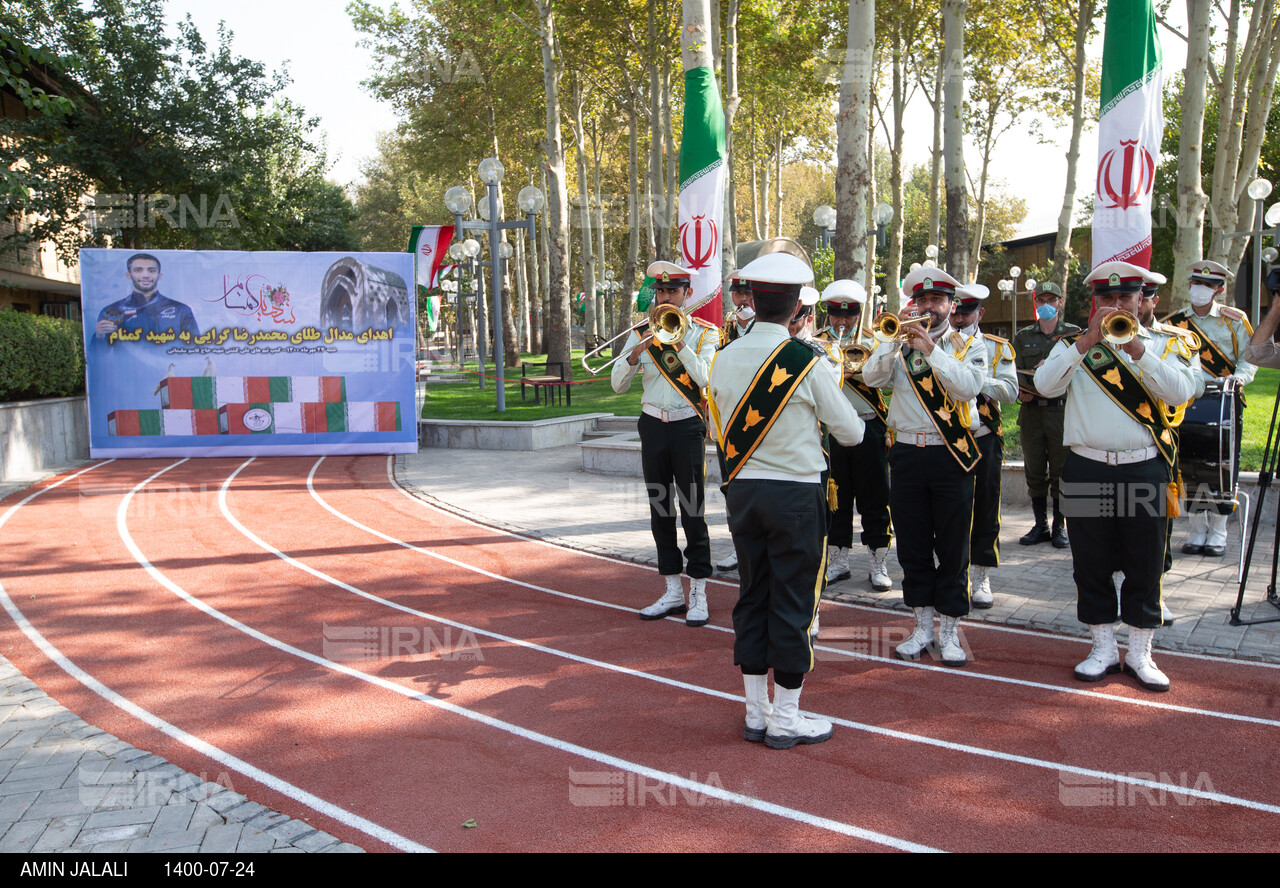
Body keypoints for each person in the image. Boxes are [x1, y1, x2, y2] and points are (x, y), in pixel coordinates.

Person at [708, 251, 864, 748]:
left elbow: (717, 429)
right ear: (797, 305)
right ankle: (787, 717)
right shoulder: (807, 360)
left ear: (752, 300)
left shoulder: (723, 356)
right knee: (795, 602)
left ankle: (756, 712)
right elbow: (852, 433)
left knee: (752, 595)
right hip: (796, 495)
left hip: (744, 493)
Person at [1034, 261, 1197, 693]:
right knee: (1091, 561)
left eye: (1125, 297)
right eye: (1107, 298)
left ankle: (1141, 652)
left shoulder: (1167, 343)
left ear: (1141, 299)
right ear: (1094, 302)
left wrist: (1139, 352)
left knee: (1145, 562)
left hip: (1144, 465)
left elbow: (1182, 393)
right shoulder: (1075, 344)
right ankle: (1102, 648)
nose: (1116, 305)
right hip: (1087, 466)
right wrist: (1087, 341)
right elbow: (1045, 386)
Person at [862, 266, 987, 667]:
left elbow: (968, 387)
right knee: (913, 544)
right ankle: (920, 625)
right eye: (922, 301)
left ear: (951, 305)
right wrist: (890, 339)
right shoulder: (898, 342)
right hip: (907, 454)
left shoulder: (967, 344)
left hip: (950, 454)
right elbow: (870, 376)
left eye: (936, 301)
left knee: (952, 545)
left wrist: (932, 351)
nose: (928, 308)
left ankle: (949, 631)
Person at [613, 261, 719, 626]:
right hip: (653, 427)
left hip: (687, 428)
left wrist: (677, 343)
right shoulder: (642, 331)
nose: (664, 297)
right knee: (661, 509)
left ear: (687, 294)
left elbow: (706, 379)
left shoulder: (705, 335)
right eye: (660, 291)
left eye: (672, 291)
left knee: (692, 511)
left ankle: (699, 591)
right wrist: (634, 354)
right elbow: (616, 384)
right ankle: (672, 589)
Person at [1165, 260, 1256, 556]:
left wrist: (1237, 379)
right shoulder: (1175, 323)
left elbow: (1250, 356)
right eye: (1196, 283)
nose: (1200, 290)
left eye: (1208, 285)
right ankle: (1196, 529)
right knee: (1187, 463)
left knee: (1222, 465)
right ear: (1189, 284)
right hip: (1186, 400)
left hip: (1223, 402)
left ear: (1219, 289)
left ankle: (1218, 531)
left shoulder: (1233, 320)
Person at [815, 279, 893, 593]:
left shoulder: (876, 339)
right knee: (836, 496)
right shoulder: (817, 342)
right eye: (836, 314)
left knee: (875, 496)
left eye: (849, 315)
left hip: (869, 425)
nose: (842, 321)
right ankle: (839, 560)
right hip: (832, 431)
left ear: (859, 313)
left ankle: (878, 561)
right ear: (829, 313)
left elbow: (886, 378)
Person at [952, 285, 1017, 608]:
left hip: (984, 437)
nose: (960, 317)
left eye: (968, 311)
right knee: (951, 511)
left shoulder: (995, 347)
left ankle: (981, 575)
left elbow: (1011, 390)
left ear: (981, 313)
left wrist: (974, 380)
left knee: (986, 506)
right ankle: (954, 572)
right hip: (948, 437)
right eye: (957, 311)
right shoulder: (936, 343)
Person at [1013, 281, 1080, 548]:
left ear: (1060, 303)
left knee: (1061, 472)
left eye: (1052, 300)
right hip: (1031, 413)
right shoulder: (1023, 336)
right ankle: (1040, 524)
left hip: (1061, 412)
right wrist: (1019, 391)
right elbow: (1012, 371)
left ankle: (1059, 527)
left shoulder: (1074, 334)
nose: (1046, 305)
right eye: (1041, 300)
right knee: (1035, 471)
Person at [715, 270, 756, 574]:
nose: (742, 300)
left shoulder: (768, 328)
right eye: (737, 294)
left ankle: (756, 546)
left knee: (758, 486)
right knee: (732, 487)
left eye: (748, 294)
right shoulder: (723, 330)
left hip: (758, 421)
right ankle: (737, 545)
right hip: (728, 422)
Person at [95, 253, 200, 340]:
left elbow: (195, 349)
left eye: (151, 270)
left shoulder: (181, 311)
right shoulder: (111, 311)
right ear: (129, 275)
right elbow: (98, 354)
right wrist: (99, 335)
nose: (145, 275)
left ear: (159, 276)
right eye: (138, 270)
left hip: (170, 365)